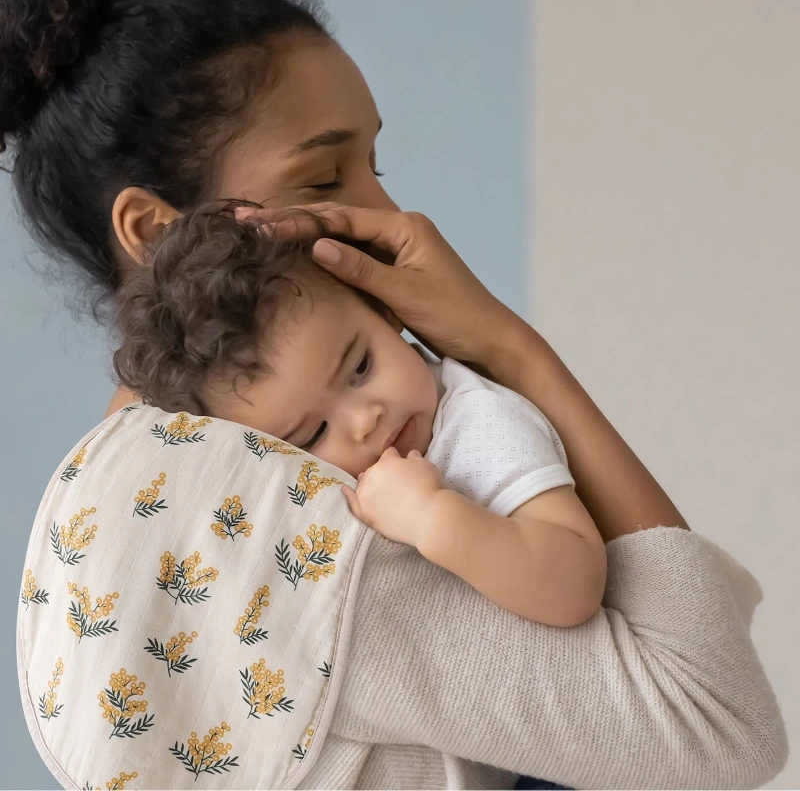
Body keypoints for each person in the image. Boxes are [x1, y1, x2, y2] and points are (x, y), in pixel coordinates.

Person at [1, 0, 787, 788]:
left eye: (374, 167)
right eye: (321, 177)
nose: (388, 215)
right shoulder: (296, 511)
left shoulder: (90, 505)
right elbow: (719, 728)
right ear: (156, 233)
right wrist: (509, 350)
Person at [112, 201, 608, 630]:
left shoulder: (477, 425)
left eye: (361, 367)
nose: (365, 420)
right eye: (314, 434)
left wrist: (433, 518)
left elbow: (576, 580)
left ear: (385, 312)